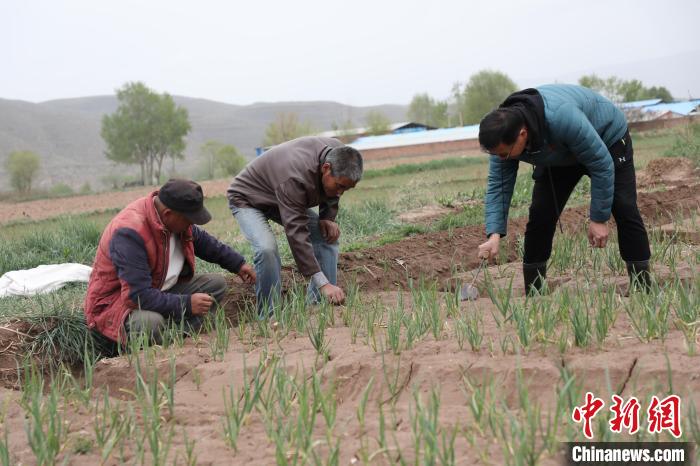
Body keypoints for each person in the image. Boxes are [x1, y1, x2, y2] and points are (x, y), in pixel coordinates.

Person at [477, 84, 651, 294]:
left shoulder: (561, 118)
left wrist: (598, 218)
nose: (501, 158)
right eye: (496, 154)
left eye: (504, 154)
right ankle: (535, 292)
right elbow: (499, 186)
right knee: (541, 214)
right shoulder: (502, 139)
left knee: (624, 207)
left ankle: (642, 288)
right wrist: (494, 235)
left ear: (522, 134)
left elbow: (601, 164)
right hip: (557, 151)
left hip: (606, 138)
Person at [84, 179, 255, 344]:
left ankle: (180, 339)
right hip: (116, 303)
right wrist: (187, 304)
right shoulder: (129, 233)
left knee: (216, 285)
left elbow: (203, 242)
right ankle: (162, 349)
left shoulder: (173, 220)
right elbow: (136, 296)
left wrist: (238, 264)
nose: (191, 225)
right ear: (168, 214)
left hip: (155, 287)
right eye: (189, 220)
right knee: (151, 324)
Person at [227, 136, 363, 316]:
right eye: (339, 186)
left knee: (326, 235)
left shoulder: (342, 155)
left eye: (346, 189)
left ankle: (319, 308)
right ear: (326, 168)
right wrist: (322, 282)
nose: (340, 193)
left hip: (283, 195)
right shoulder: (295, 176)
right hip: (247, 198)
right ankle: (269, 316)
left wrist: (327, 218)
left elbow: (333, 191)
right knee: (267, 249)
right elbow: (297, 234)